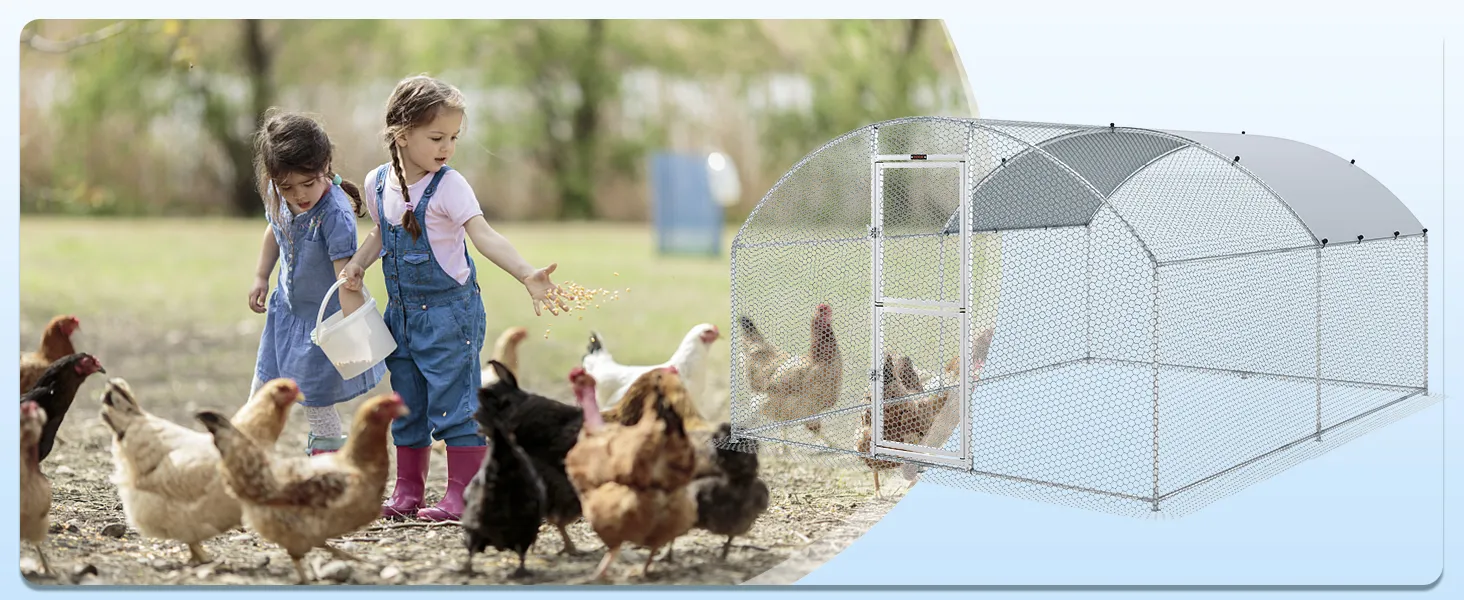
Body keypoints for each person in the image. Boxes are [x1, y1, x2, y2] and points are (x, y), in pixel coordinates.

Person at [339, 74, 568, 522]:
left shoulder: (451, 186)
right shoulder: (377, 181)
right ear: (401, 135)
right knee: (407, 404)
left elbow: (483, 236)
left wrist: (526, 272)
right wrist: (358, 264)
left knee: (456, 405)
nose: (447, 147)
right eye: (436, 137)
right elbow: (381, 234)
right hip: (400, 316)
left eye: (454, 138)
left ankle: (463, 494)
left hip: (450, 316)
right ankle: (408, 491)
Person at [247, 109, 387, 456]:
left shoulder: (334, 214)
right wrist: (261, 275)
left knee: (316, 399)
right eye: (287, 186)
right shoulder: (280, 197)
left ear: (325, 166)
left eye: (308, 183)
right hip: (286, 314)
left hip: (320, 325)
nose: (298, 194)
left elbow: (346, 277)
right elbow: (274, 231)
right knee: (264, 386)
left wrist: (357, 330)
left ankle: (327, 459)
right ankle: (247, 449)